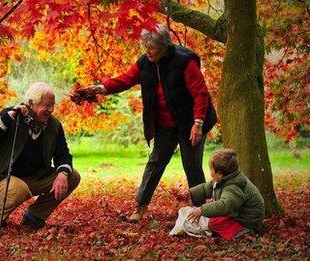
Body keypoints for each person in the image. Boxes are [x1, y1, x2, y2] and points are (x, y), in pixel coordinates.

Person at [82, 24, 217, 222]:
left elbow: (200, 94)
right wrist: (102, 88)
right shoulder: (145, 63)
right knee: (155, 163)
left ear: (164, 46)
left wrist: (198, 123)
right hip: (165, 125)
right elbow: (125, 80)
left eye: (151, 47)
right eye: (145, 46)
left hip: (191, 122)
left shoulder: (185, 61)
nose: (147, 51)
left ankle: (201, 211)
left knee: (192, 166)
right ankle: (140, 206)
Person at [0, 82, 81, 230]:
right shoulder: (12, 116)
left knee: (72, 176)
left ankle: (34, 217)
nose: (51, 110)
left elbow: (62, 154)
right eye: (46, 105)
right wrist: (10, 116)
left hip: (32, 179)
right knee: (19, 188)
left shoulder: (53, 125)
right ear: (31, 103)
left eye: (53, 105)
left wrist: (63, 173)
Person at [187, 148, 265, 240]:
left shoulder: (233, 186)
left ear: (219, 174)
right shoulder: (225, 179)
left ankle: (241, 233)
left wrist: (202, 210)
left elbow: (225, 205)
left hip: (247, 221)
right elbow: (208, 188)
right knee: (213, 217)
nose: (210, 173)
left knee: (214, 222)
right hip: (238, 213)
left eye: (211, 170)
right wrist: (191, 193)